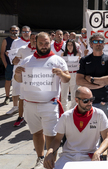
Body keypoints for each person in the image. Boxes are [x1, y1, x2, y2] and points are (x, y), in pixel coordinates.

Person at [14, 32, 70, 169]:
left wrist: (61, 74)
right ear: (36, 43)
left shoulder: (58, 60)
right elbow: (19, 80)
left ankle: (51, 162)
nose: (44, 46)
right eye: (41, 43)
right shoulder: (27, 60)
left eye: (46, 43)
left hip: (49, 105)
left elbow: (67, 78)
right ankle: (40, 158)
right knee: (36, 132)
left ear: (50, 42)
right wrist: (17, 73)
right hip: (30, 104)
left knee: (51, 134)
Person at [43, 87, 108, 169]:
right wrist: (49, 152)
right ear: (76, 100)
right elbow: (57, 139)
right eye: (86, 101)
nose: (89, 103)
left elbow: (107, 138)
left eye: (91, 99)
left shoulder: (99, 114)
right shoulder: (66, 116)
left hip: (89, 156)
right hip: (68, 156)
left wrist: (98, 152)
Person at [76, 33, 108, 122]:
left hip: (103, 100)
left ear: (104, 44)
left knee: (105, 128)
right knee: (87, 128)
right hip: (86, 101)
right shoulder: (84, 60)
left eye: (101, 41)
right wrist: (99, 84)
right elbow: (79, 81)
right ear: (91, 44)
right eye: (95, 41)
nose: (98, 43)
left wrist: (92, 79)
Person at [11, 32, 37, 126]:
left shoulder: (41, 50)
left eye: (35, 39)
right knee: (22, 98)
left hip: (38, 79)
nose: (34, 40)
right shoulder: (22, 49)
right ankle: (20, 117)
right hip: (25, 78)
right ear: (29, 39)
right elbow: (15, 61)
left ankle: (34, 117)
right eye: (32, 38)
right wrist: (14, 61)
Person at [6, 26, 31, 115]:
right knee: (16, 89)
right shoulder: (16, 42)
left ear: (30, 32)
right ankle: (15, 107)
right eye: (23, 32)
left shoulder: (34, 43)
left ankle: (26, 109)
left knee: (28, 90)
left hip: (29, 71)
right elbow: (12, 55)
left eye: (27, 32)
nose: (25, 33)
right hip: (17, 69)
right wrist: (12, 59)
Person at [60, 39, 81, 111]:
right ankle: (64, 110)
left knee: (74, 93)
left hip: (74, 74)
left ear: (74, 46)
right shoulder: (63, 54)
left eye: (71, 45)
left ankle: (72, 110)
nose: (70, 46)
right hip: (65, 74)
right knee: (64, 93)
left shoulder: (77, 54)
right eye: (68, 45)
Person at [1, 25, 19, 105]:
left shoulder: (21, 41)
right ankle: (7, 97)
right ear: (10, 31)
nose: (14, 32)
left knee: (20, 81)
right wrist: (5, 64)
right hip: (9, 64)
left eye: (16, 30)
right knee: (8, 81)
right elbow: (2, 53)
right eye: (13, 30)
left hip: (19, 65)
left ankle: (18, 96)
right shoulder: (6, 40)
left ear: (18, 31)